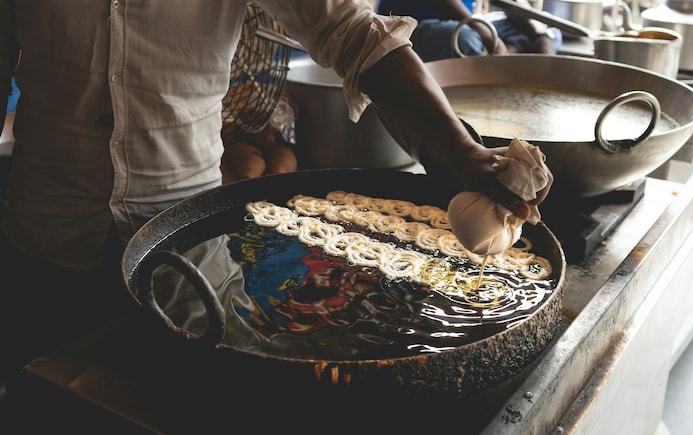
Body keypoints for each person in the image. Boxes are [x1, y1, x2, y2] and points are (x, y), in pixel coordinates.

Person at [0, 0, 552, 413]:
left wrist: (459, 150)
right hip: (45, 236)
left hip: (191, 248)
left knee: (191, 409)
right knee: (43, 405)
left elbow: (354, 32)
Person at [376, 0, 562, 61]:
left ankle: (502, 59)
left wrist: (541, 33)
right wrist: (491, 38)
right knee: (462, 38)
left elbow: (516, 4)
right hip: (410, 30)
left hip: (469, 24)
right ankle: (504, 62)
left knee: (554, 30)